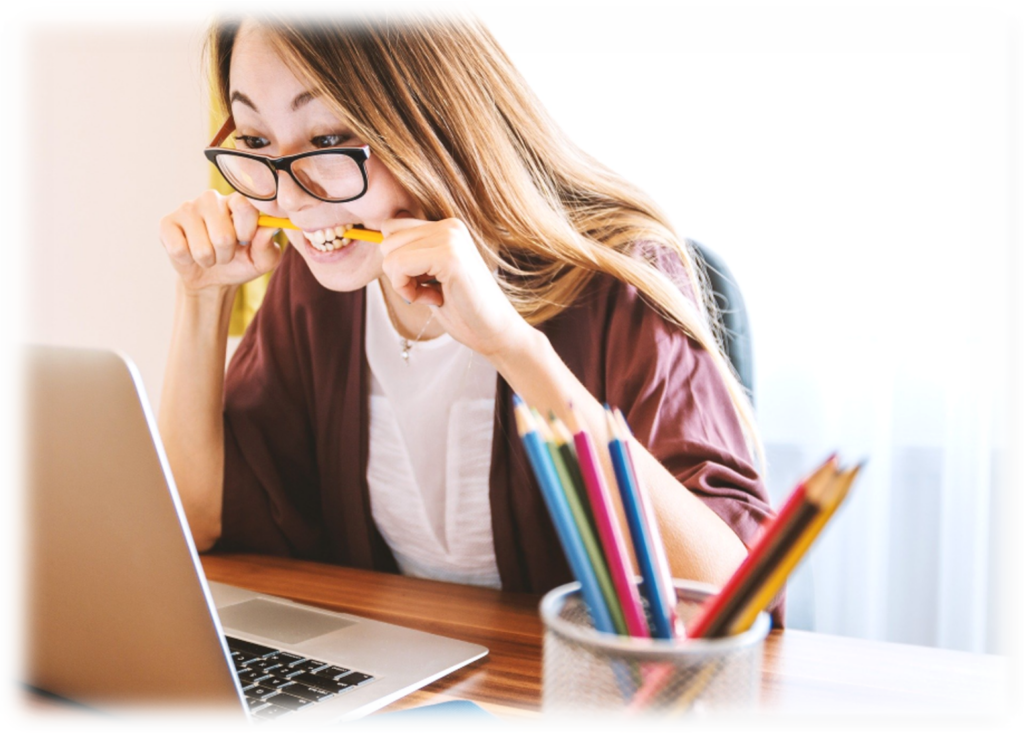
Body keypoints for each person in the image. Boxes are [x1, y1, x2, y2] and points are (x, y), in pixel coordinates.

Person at [158, 3, 778, 616]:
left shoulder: (616, 277)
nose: (291, 198)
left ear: (433, 117)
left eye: (329, 138)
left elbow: (732, 597)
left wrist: (512, 346)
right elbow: (198, 518)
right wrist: (203, 297)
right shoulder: (317, 285)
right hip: (405, 687)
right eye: (258, 141)